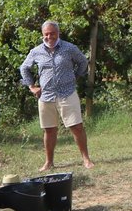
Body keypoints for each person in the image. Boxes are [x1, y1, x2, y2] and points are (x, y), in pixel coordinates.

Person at [20, 21, 94, 171]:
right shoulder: (36, 51)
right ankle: (49, 162)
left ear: (58, 33)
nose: (49, 37)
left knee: (77, 127)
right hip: (46, 96)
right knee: (49, 130)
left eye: (52, 33)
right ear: (42, 35)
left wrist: (76, 77)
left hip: (67, 93)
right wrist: (31, 86)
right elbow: (24, 68)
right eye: (46, 34)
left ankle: (86, 159)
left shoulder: (69, 48)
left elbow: (83, 62)